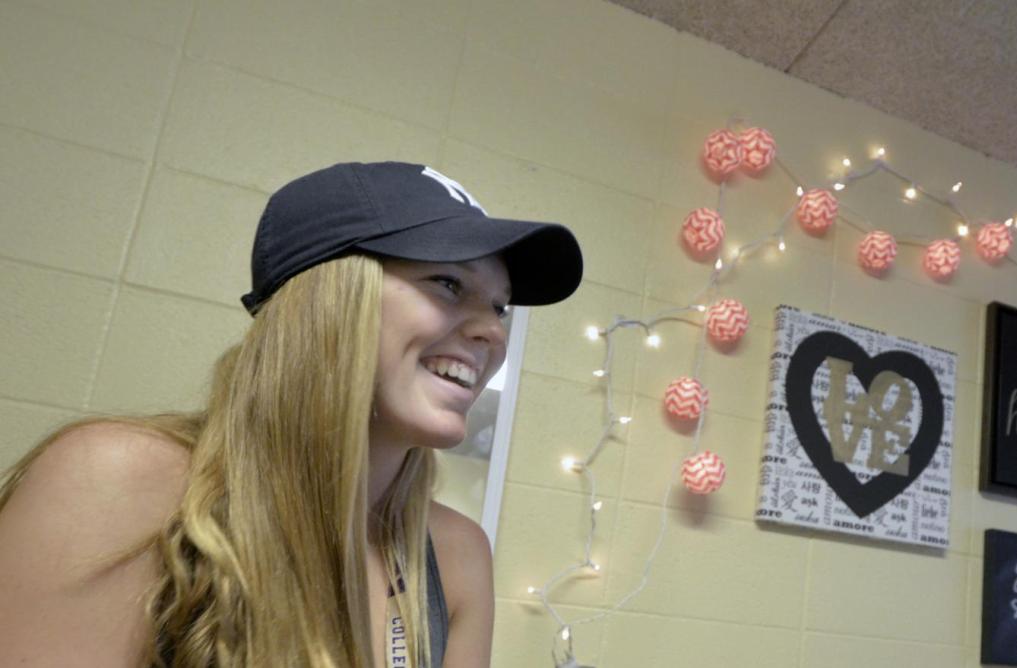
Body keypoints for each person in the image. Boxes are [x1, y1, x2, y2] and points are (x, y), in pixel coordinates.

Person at [0, 162, 583, 667]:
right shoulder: (118, 484)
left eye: (499, 308)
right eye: (449, 282)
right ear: (327, 297)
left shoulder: (456, 556)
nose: (491, 333)